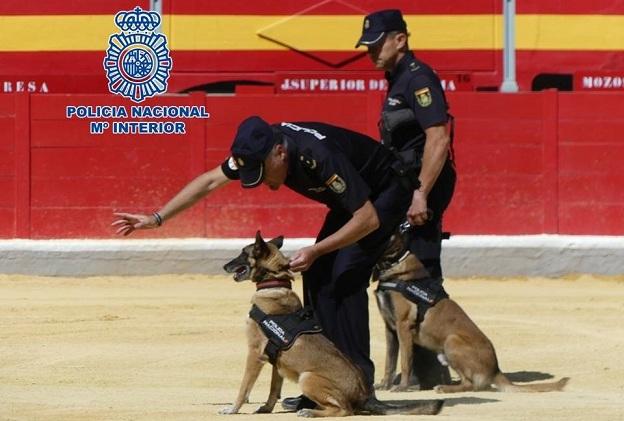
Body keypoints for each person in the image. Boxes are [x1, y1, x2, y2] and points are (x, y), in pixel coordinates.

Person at [113, 116, 419, 409]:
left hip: (385, 193)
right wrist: (157, 218)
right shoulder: (256, 148)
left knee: (346, 274)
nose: (260, 181)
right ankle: (330, 381)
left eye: (262, 172)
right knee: (317, 276)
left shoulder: (317, 155)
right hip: (352, 201)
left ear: (280, 152)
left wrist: (315, 250)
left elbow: (367, 218)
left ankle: (360, 389)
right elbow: (209, 181)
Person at [356, 9, 456, 389]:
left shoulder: (418, 78)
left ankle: (431, 367)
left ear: (400, 39)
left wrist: (421, 194)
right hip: (408, 186)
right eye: (367, 45)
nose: (371, 51)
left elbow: (438, 139)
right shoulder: (397, 80)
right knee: (408, 271)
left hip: (422, 187)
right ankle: (422, 366)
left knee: (421, 269)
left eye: (377, 43)